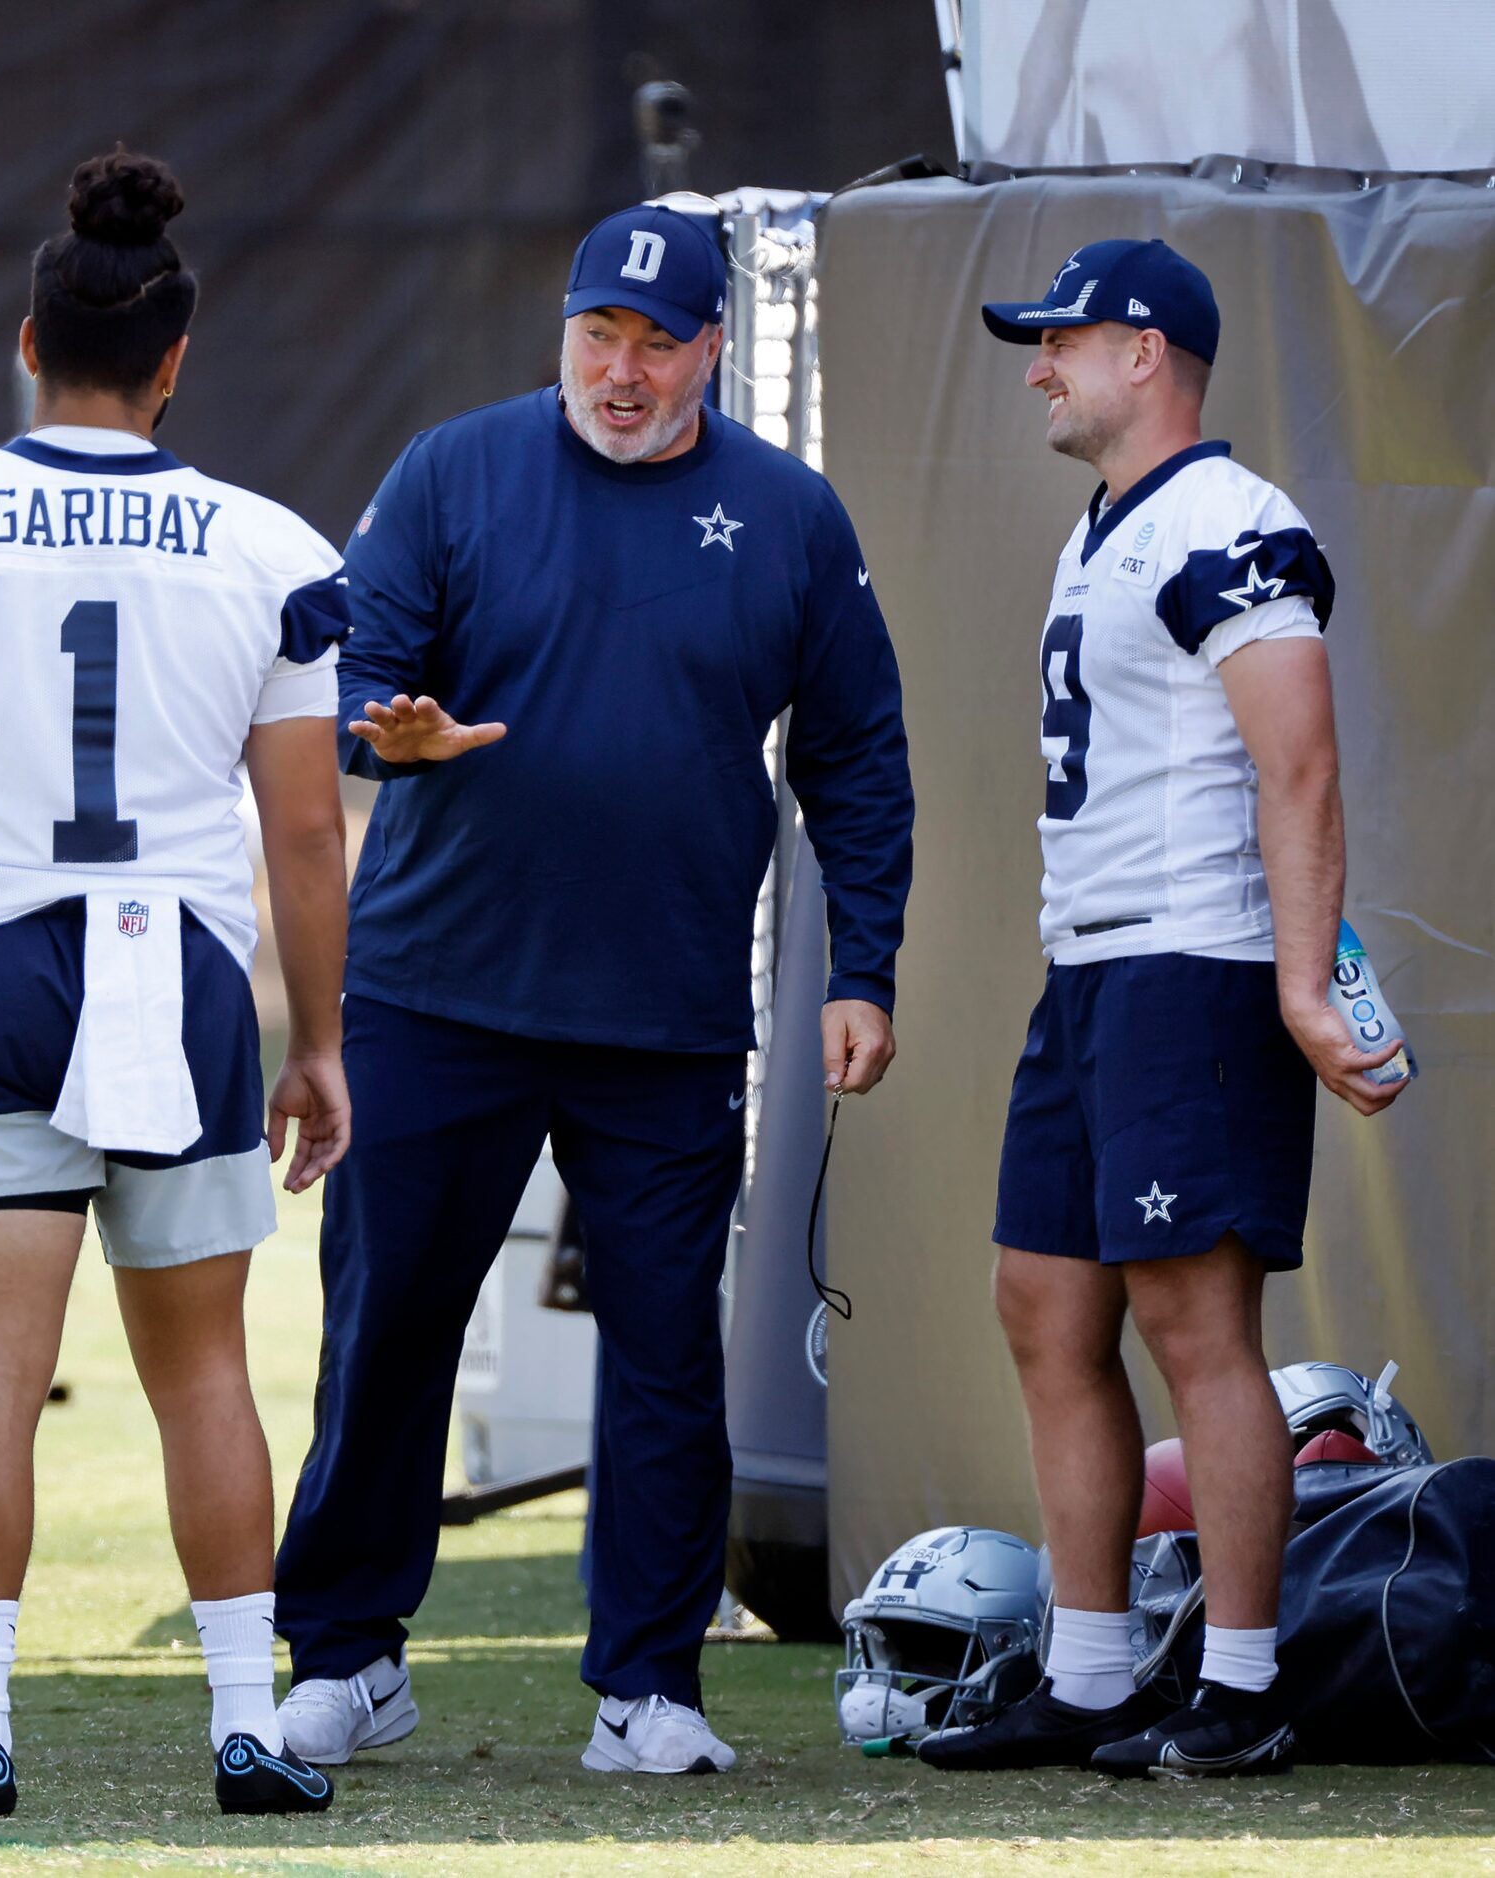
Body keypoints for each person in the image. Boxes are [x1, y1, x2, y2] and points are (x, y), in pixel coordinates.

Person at [273, 201, 914, 1777]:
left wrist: (871, 964)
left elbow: (856, 757)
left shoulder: (791, 515)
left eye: (654, 342)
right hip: (436, 993)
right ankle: (348, 1654)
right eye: (594, 337)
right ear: (561, 332)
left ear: (713, 347)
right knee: (387, 1326)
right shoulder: (452, 469)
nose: (620, 372)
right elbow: (349, 677)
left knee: (663, 1355)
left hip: (668, 1011)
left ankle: (647, 1684)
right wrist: (387, 731)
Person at [0, 149, 351, 1818]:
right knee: (204, 1368)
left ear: (25, 347)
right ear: (174, 363)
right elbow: (308, 827)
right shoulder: (268, 546)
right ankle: (246, 1724)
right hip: (178, 967)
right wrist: (315, 1036)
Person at [915, 239, 1405, 1779]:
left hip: (1191, 963)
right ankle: (1092, 1671)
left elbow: (1302, 764)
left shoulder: (1233, 522)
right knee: (1045, 1306)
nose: (1038, 366)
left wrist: (1308, 984)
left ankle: (1246, 1684)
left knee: (1199, 1323)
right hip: (1094, 971)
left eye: (1061, 340)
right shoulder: (1104, 528)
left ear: (1147, 353)